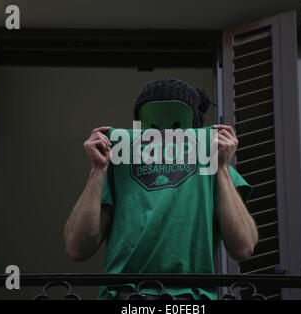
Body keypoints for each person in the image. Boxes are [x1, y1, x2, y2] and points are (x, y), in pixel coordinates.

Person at [63, 78, 258, 300]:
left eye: (175, 128)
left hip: (191, 301)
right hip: (127, 298)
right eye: (152, 128)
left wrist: (222, 168)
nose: (163, 137)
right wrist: (98, 170)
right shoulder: (114, 165)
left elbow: (243, 247)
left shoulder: (212, 162)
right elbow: (77, 249)